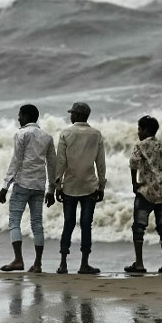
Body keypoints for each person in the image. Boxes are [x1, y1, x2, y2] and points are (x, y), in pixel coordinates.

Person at [124, 115, 162, 274]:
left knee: (139, 228)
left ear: (145, 130)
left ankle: (139, 264)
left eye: (139, 129)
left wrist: (134, 183)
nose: (138, 132)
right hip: (161, 193)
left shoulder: (140, 146)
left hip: (144, 193)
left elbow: (133, 163)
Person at [0, 104, 56, 273]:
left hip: (22, 183)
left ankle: (18, 260)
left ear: (26, 116)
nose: (18, 118)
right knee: (37, 224)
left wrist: (5, 185)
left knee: (14, 221)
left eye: (20, 115)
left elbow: (16, 161)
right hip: (39, 186)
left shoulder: (21, 134)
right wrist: (51, 189)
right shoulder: (47, 137)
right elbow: (52, 164)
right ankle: (37, 264)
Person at [54, 102, 106, 275]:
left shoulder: (66, 133)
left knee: (68, 224)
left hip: (69, 185)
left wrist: (57, 185)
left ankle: (63, 264)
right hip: (89, 185)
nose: (70, 116)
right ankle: (84, 264)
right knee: (86, 225)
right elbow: (100, 163)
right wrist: (101, 185)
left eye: (72, 113)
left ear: (77, 115)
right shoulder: (96, 134)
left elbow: (61, 162)